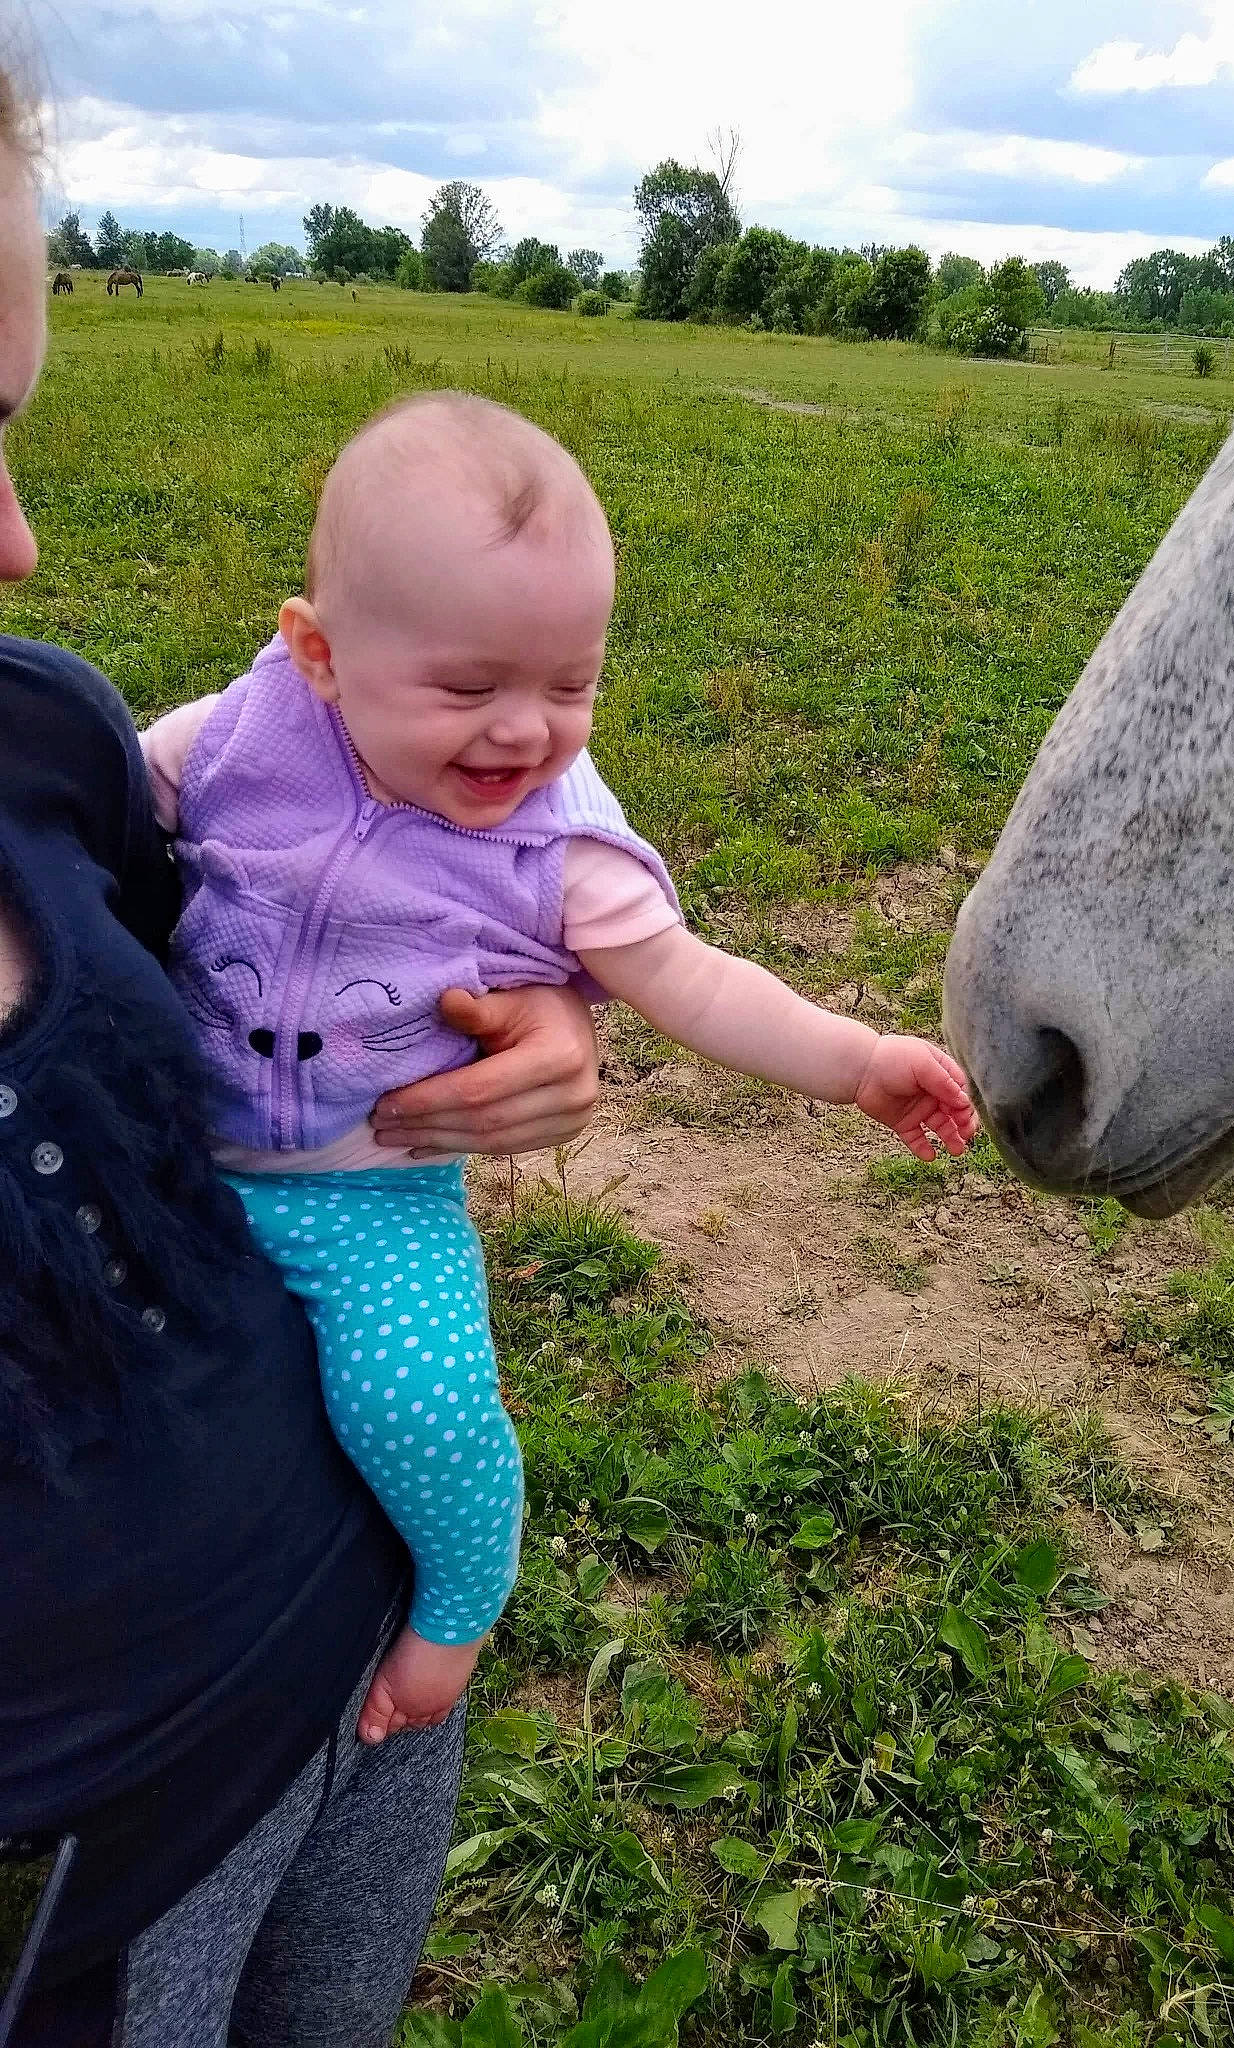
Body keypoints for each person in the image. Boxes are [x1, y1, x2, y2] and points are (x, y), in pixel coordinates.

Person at [0, 73, 605, 2048]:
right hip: (88, 1866)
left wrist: (542, 1013)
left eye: (11, 430)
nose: (19, 546)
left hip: (352, 1648)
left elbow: (306, 938)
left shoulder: (55, 741)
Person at [140, 389, 981, 1749]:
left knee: (413, 1398)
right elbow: (92, 813)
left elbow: (696, 980)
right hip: (166, 1155)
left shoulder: (556, 845)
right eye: (469, 688)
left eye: (570, 685)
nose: (525, 732)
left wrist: (858, 1061)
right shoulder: (239, 736)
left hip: (370, 1194)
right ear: (319, 654)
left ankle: (460, 1600)